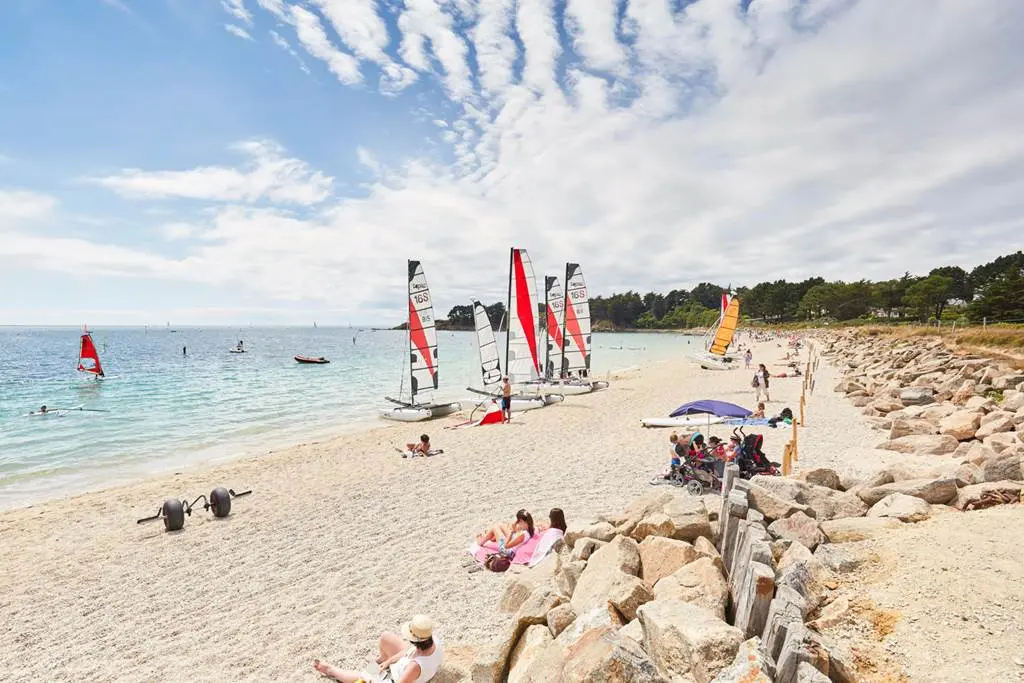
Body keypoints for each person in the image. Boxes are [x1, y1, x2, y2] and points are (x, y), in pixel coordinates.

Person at [313, 614, 443, 683]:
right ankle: (382, 660)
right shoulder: (433, 640)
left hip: (393, 679)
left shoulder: (415, 666)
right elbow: (407, 651)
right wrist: (388, 661)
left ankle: (331, 670)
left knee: (365, 673)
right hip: (403, 667)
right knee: (386, 637)